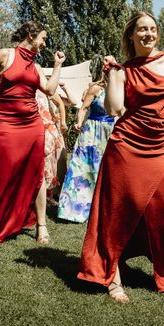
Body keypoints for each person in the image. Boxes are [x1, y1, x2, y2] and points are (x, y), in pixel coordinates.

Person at [78, 11, 164, 302]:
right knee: (117, 212)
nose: (148, 34)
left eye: (152, 29)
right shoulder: (122, 69)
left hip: (159, 148)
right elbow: (114, 109)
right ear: (131, 35)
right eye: (142, 29)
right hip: (126, 146)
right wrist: (111, 75)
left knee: (162, 213)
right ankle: (112, 275)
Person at [0, 21, 65, 244]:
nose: (44, 43)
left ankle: (40, 226)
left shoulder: (37, 67)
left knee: (35, 175)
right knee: (1, 175)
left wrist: (57, 66)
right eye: (43, 38)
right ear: (31, 35)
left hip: (32, 125)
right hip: (5, 124)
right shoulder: (5, 55)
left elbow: (49, 90)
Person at [57, 75, 115, 223]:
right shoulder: (96, 89)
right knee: (82, 168)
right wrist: (79, 122)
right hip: (92, 131)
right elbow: (83, 108)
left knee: (105, 170)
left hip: (109, 132)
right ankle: (72, 210)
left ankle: (100, 211)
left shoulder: (118, 91)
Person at [36, 88, 65, 206]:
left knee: (49, 164)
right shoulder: (27, 89)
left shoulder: (46, 90)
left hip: (48, 129)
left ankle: (48, 195)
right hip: (34, 128)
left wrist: (63, 122)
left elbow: (61, 103)